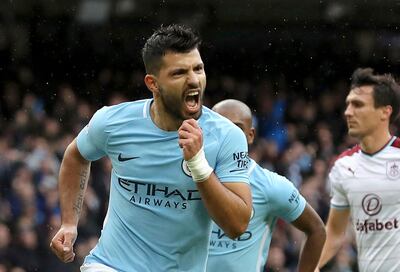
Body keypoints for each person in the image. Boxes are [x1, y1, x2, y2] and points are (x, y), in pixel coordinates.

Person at [49, 24, 253, 272]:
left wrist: (198, 165)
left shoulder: (227, 136)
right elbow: (76, 156)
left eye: (198, 69)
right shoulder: (113, 122)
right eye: (179, 73)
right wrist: (69, 223)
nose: (194, 80)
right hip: (111, 266)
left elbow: (237, 225)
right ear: (152, 83)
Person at [208, 99, 326, 272]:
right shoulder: (186, 180)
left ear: (251, 135)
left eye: (236, 129)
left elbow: (316, 230)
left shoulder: (270, 186)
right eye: (220, 127)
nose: (227, 135)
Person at [317, 68, 400, 271]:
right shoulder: (343, 166)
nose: (348, 112)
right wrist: (313, 265)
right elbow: (335, 233)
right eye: (348, 104)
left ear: (385, 112)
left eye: (358, 105)